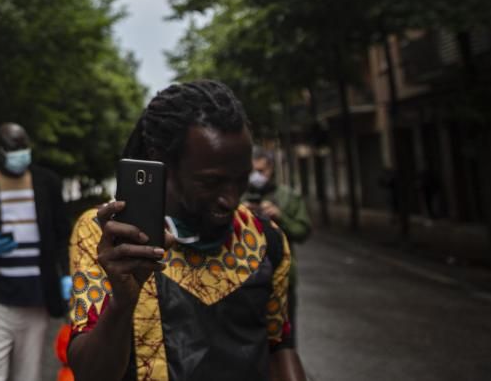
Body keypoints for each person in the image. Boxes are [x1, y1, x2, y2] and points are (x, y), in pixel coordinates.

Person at [67, 80, 306, 381]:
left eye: (241, 180)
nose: (230, 200)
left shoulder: (263, 238)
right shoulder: (108, 235)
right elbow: (90, 375)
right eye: (210, 182)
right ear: (160, 160)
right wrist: (122, 302)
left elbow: (279, 346)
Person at [0, 122, 72, 381]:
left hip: (36, 302)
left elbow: (63, 235)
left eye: (23, 147)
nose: (20, 153)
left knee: (28, 377)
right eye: (12, 148)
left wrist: (66, 274)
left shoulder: (47, 183)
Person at [246, 148, 311, 342]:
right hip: (246, 277)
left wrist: (280, 215)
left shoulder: (287, 196)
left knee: (283, 339)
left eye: (262, 171)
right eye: (253, 170)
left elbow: (302, 231)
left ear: (271, 169)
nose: (258, 176)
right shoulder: (237, 195)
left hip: (282, 278)